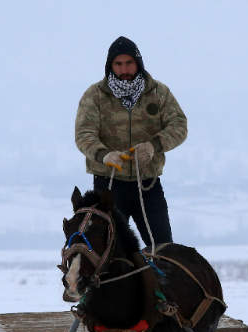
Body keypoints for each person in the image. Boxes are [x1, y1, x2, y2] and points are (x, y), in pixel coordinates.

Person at [74, 36, 187, 247]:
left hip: (148, 184)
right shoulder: (94, 96)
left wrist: (153, 147)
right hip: (108, 186)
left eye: (129, 63)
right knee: (108, 252)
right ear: (110, 66)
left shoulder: (159, 93)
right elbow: (83, 133)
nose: (124, 69)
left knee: (164, 249)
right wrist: (103, 154)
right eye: (118, 64)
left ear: (138, 63)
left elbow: (179, 126)